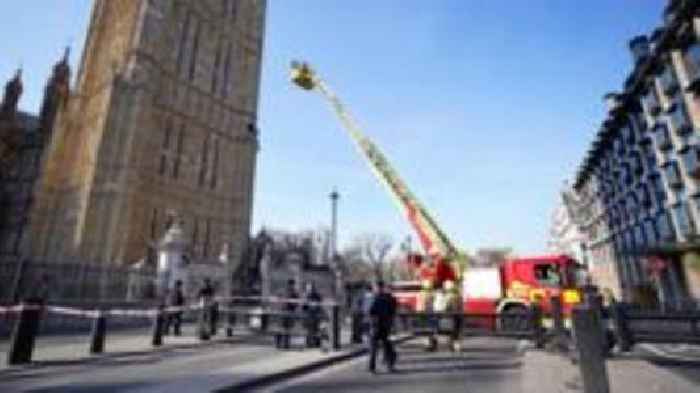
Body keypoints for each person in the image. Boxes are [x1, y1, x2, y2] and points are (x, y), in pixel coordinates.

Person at [368, 280, 398, 373]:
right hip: (384, 324)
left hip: (375, 325)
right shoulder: (388, 298)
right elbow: (393, 311)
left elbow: (369, 311)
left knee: (374, 346)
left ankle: (372, 367)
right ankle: (389, 365)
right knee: (386, 346)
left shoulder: (373, 298)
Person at [277, 279, 299, 349]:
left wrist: (294, 307)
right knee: (281, 328)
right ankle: (279, 343)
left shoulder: (294, 293)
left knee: (287, 329)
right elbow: (279, 299)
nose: (292, 286)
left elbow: (296, 303)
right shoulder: (285, 291)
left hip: (289, 312)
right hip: (284, 311)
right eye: (291, 284)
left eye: (292, 285)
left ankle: (286, 344)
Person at [302, 283, 323, 348]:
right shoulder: (306, 296)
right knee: (309, 330)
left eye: (310, 289)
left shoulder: (317, 296)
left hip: (315, 315)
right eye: (308, 289)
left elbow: (319, 305)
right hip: (309, 315)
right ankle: (309, 343)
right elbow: (304, 307)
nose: (309, 290)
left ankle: (317, 343)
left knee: (316, 330)